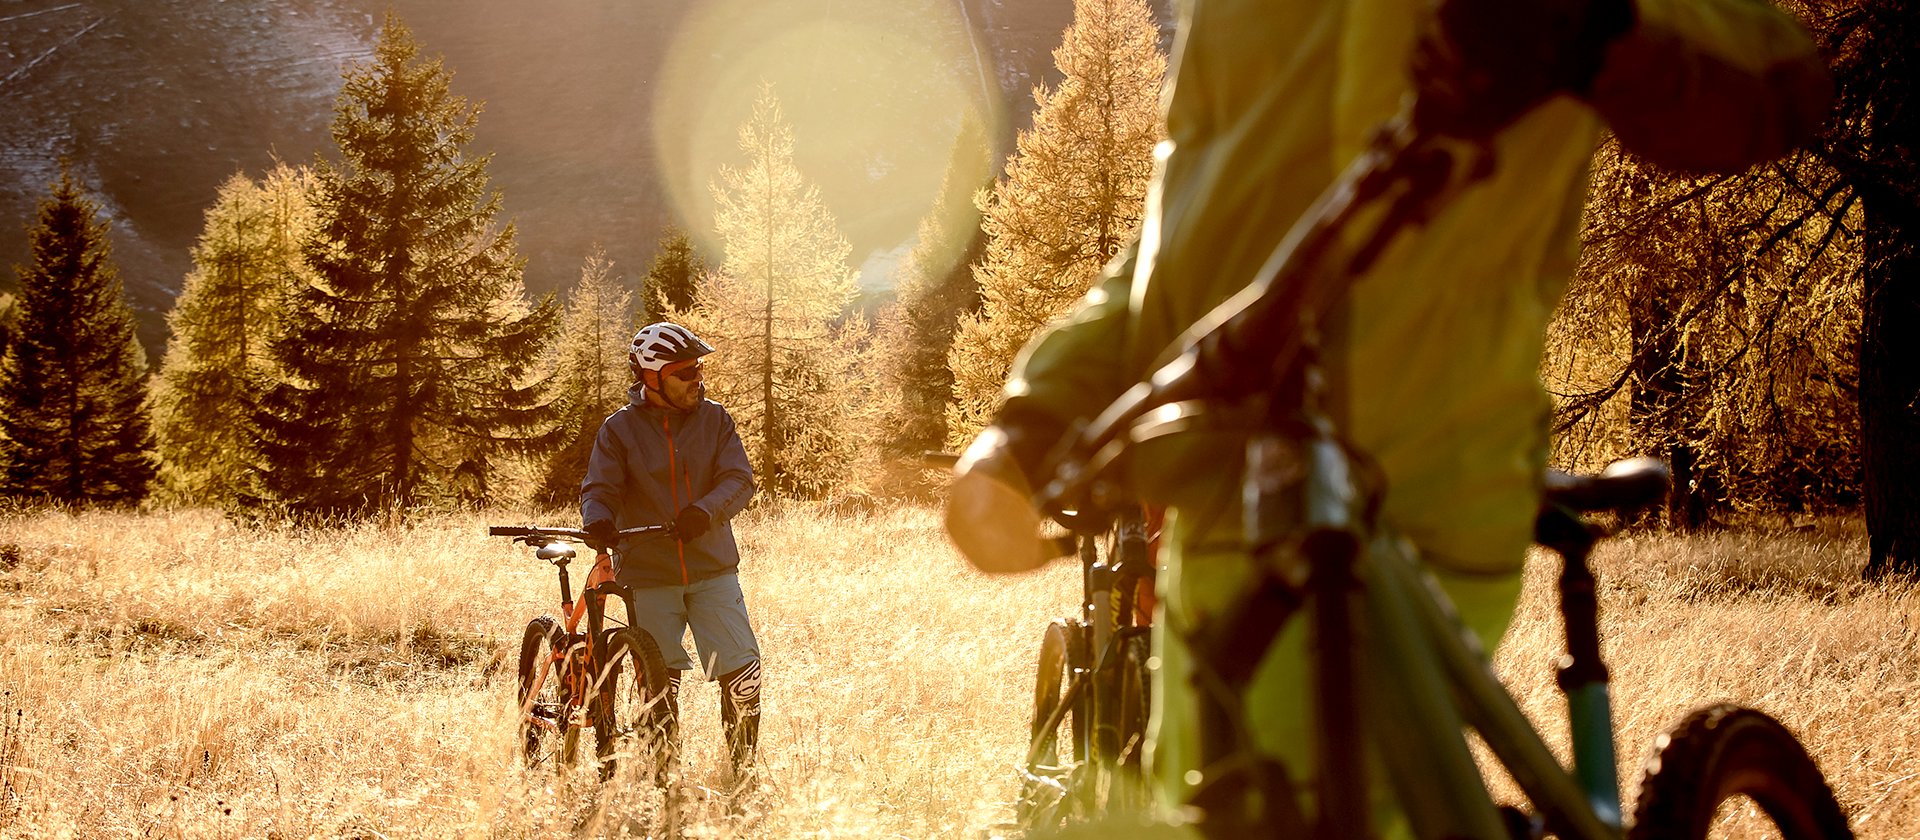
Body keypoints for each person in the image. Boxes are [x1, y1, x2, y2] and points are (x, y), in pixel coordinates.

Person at [945, 0, 1830, 831]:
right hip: (1223, 523)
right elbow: (1186, 235)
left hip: (1411, 497)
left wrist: (1598, 26)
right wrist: (1035, 417)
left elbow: (1777, 76)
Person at [582, 322, 762, 781]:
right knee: (658, 683)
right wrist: (597, 519)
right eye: (684, 372)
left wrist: (704, 512)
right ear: (651, 377)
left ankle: (741, 777)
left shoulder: (715, 419)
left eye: (698, 368)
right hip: (647, 572)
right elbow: (599, 488)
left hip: (713, 566)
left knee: (743, 676)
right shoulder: (618, 430)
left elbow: (740, 480)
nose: (696, 378)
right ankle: (665, 781)